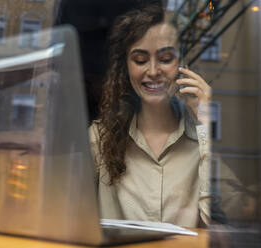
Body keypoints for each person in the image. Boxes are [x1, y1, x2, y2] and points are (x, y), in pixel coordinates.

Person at [89, 3, 214, 228]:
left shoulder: (202, 142)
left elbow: (213, 226)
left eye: (166, 58)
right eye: (140, 60)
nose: (154, 71)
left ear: (182, 65)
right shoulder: (98, 138)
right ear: (125, 67)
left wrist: (205, 121)